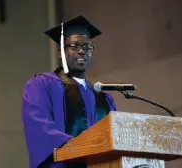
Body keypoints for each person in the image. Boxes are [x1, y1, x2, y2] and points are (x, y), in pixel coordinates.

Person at [21, 15, 117, 168]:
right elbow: (40, 129)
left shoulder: (104, 98)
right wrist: (84, 146)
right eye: (74, 46)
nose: (81, 51)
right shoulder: (41, 85)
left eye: (87, 47)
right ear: (60, 52)